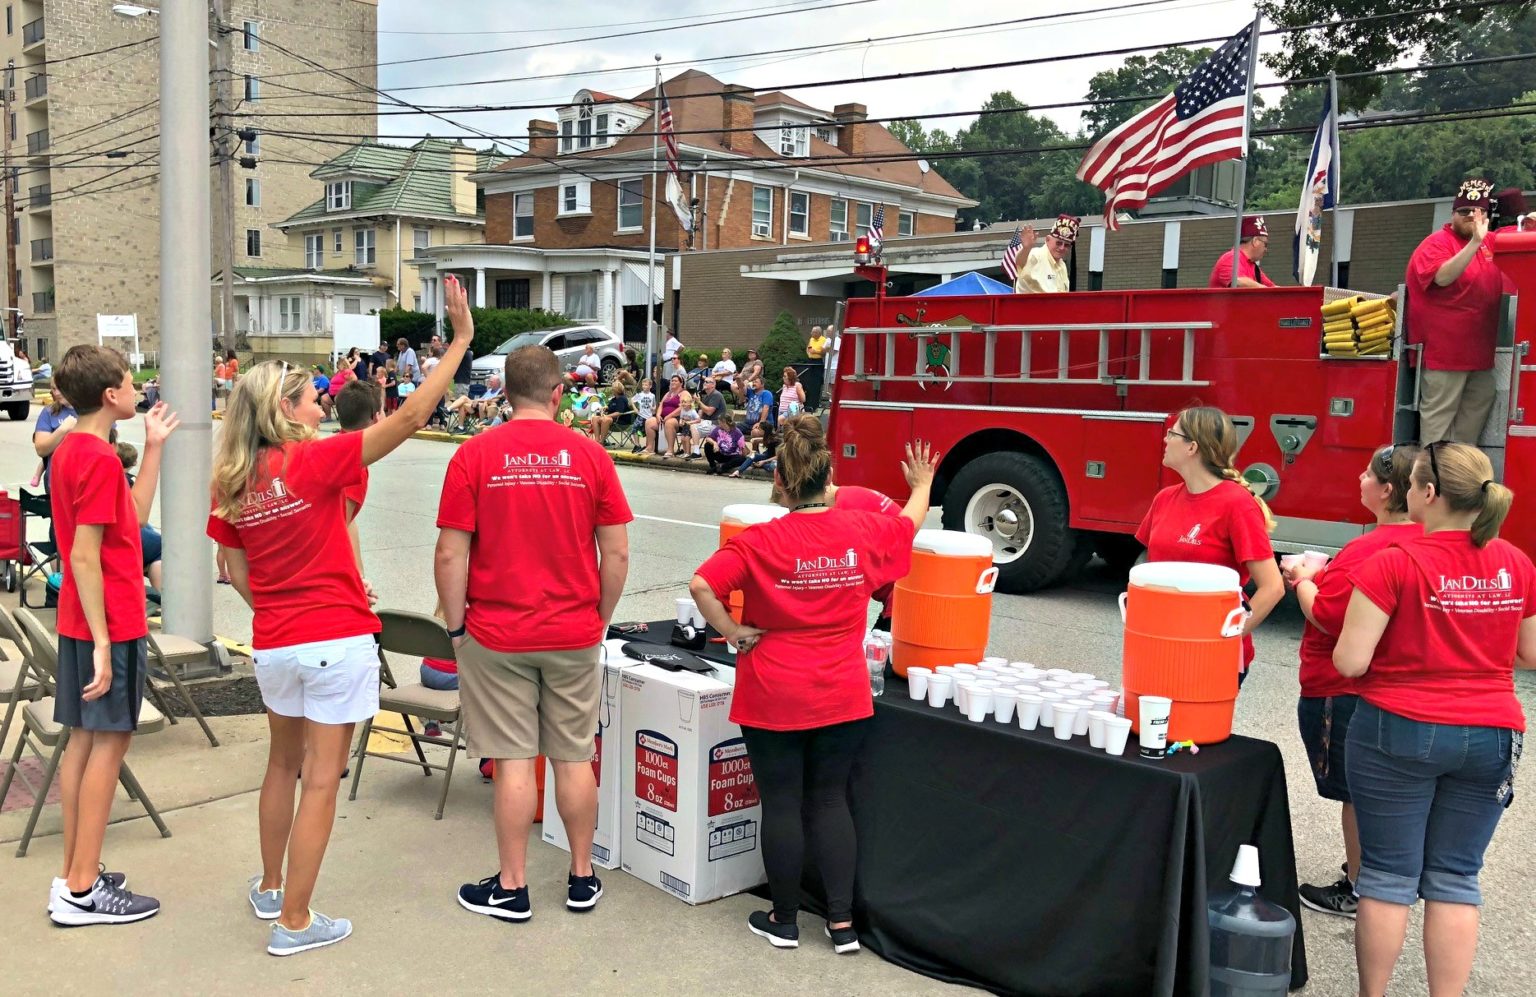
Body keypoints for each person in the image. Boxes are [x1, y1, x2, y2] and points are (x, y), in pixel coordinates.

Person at [209, 274, 473, 957]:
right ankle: (294, 921)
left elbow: (232, 569)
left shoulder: (234, 477)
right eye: (309, 400)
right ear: (286, 411)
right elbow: (411, 417)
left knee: (281, 768)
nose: (320, 407)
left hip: (274, 643)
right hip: (333, 637)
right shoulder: (316, 462)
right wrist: (461, 342)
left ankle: (272, 885)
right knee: (322, 779)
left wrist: (274, 607)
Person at [689, 420, 938, 952]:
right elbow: (910, 524)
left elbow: (702, 585)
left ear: (780, 482)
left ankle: (783, 920)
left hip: (773, 690)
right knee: (829, 802)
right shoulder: (861, 531)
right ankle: (842, 925)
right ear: (830, 481)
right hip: (841, 691)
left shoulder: (760, 541)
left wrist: (733, 632)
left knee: (780, 804)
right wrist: (922, 484)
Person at [435, 343, 632, 924]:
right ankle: (581, 877)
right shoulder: (591, 455)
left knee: (515, 761)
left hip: (497, 633)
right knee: (573, 757)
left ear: (503, 393)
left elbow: (451, 554)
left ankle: (513, 887)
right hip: (573, 630)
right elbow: (615, 551)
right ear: (558, 392)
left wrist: (456, 629)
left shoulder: (474, 456)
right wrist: (598, 615)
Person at [1333, 442, 1533, 997]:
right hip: (1492, 733)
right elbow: (1532, 653)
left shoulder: (1394, 562)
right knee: (1456, 878)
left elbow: (1350, 661)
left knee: (1389, 876)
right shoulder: (1515, 562)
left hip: (1397, 728)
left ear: (1427, 494)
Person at [46, 345, 179, 926]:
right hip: (110, 619)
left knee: (82, 740)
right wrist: (104, 642)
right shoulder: (96, 459)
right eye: (130, 382)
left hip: (81, 616)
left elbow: (132, 517)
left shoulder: (73, 450)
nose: (138, 389)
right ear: (110, 396)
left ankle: (76, 871)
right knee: (110, 743)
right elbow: (82, 555)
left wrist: (153, 449)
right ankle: (82, 887)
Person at [1283, 443, 1422, 919]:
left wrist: (1303, 576)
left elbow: (1328, 615)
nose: (1358, 479)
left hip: (1344, 691)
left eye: (1366, 474)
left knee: (1359, 795)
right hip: (1404, 691)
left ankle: (1361, 886)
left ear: (1387, 490)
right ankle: (1393, 874)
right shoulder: (1429, 542)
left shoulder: (1371, 548)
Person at [1136, 406, 1283, 679]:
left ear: (1192, 447)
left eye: (1172, 434)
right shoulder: (1165, 498)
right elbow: (1146, 561)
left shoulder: (1237, 504)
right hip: (1160, 641)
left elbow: (1272, 588)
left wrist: (1228, 635)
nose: (1165, 439)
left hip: (1210, 655)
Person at [1406, 178, 1504, 444]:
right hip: (1443, 357)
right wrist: (1474, 243)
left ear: (1486, 215)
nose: (1470, 217)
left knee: (1466, 437)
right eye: (1464, 211)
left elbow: (1521, 244)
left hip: (1479, 358)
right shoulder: (1436, 243)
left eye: (1477, 211)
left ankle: (1456, 482)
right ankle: (1430, 484)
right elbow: (1443, 277)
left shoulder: (1491, 243)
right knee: (1436, 434)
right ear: (1453, 213)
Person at [333, 379, 385, 595]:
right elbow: (339, 525)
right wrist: (356, 582)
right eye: (383, 412)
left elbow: (348, 520)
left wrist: (359, 572)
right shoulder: (355, 465)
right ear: (374, 417)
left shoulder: (338, 445)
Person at [114, 441, 165, 592]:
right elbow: (137, 517)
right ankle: (160, 595)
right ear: (134, 462)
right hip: (122, 530)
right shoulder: (128, 480)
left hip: (116, 529)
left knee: (151, 534)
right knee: (163, 547)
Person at [1013, 214, 1078, 294]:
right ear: (1047, 240)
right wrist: (1026, 249)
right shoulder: (1036, 254)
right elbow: (1019, 263)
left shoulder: (1062, 265)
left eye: (1067, 245)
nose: (1062, 248)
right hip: (1031, 305)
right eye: (1058, 243)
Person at [1209, 215, 1277, 288]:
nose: (1266, 249)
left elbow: (1272, 287)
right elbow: (1238, 281)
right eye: (1265, 244)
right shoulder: (1231, 258)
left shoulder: (1252, 266)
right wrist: (1265, 289)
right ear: (1255, 241)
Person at [33, 382, 77, 489]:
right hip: (56, 483)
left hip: (86, 480)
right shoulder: (49, 412)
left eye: (60, 388)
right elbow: (41, 449)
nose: (56, 393)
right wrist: (63, 429)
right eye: (53, 388)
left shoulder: (93, 410)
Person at [644, 374, 685, 456]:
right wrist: (658, 415)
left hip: (677, 419)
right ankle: (650, 447)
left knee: (669, 423)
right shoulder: (668, 394)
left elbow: (682, 407)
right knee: (649, 422)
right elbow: (661, 404)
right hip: (663, 418)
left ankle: (670, 450)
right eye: (672, 380)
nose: (673, 382)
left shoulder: (684, 393)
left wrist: (669, 416)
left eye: (675, 381)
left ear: (681, 383)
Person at [687, 376, 726, 460]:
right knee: (688, 426)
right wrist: (696, 419)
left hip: (716, 424)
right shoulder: (706, 396)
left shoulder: (716, 395)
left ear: (713, 385)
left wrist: (699, 402)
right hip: (707, 422)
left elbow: (709, 411)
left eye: (708, 382)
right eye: (705, 381)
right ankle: (686, 451)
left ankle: (697, 452)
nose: (705, 383)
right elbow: (701, 412)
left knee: (693, 427)